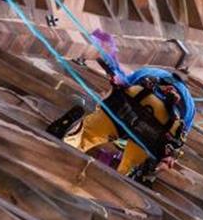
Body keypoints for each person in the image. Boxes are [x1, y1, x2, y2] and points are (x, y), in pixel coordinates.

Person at [47, 62, 195, 182]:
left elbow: (120, 86)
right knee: (128, 169)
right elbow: (178, 139)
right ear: (186, 84)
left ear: (173, 71)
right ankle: (116, 185)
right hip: (153, 131)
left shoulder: (152, 71)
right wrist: (160, 163)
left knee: (85, 135)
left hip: (127, 107)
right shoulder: (189, 103)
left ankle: (61, 154)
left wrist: (102, 106)